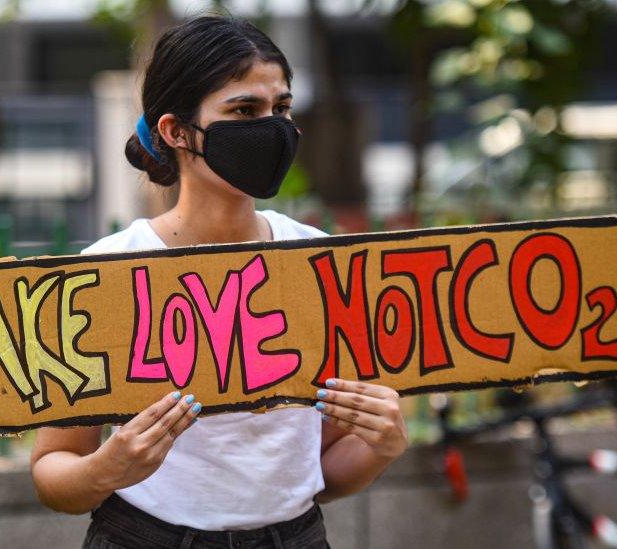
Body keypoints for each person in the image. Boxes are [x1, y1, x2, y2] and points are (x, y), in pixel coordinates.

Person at [30, 15, 408, 549]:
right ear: (176, 131)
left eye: (281, 108)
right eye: (244, 110)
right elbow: (52, 470)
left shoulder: (322, 263)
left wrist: (383, 446)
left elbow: (318, 474)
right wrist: (105, 470)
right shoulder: (105, 273)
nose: (273, 128)